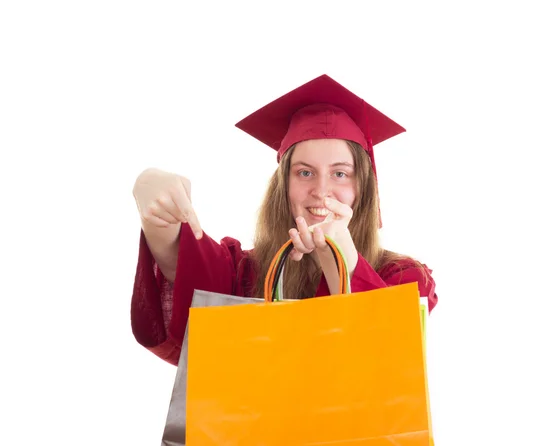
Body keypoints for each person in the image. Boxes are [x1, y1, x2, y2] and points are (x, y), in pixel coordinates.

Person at [130, 74, 439, 366]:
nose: (320, 191)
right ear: (284, 185)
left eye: (340, 173)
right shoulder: (245, 274)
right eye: (304, 172)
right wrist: (159, 213)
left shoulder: (404, 280)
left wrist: (340, 253)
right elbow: (189, 275)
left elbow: (387, 361)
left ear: (363, 188)